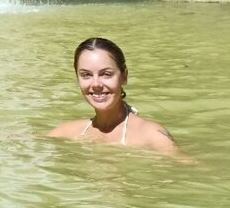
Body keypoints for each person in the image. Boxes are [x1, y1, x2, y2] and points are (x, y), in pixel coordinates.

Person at [48, 37, 180, 153]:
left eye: (106, 74)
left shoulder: (152, 135)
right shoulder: (68, 132)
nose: (96, 84)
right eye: (86, 75)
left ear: (124, 77)